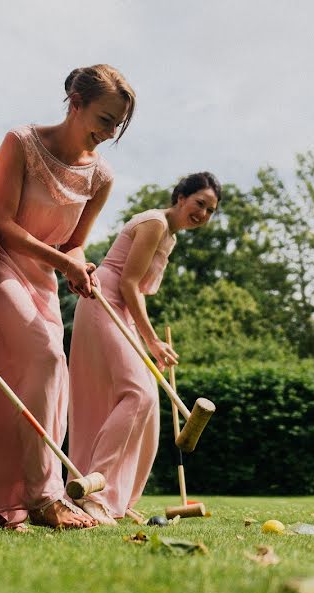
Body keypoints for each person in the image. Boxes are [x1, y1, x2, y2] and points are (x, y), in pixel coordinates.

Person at [0, 65, 136, 530]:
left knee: (42, 383)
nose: (109, 132)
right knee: (45, 360)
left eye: (116, 125)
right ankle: (44, 497)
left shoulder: (101, 177)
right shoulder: (21, 142)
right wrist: (65, 263)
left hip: (45, 283)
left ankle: (1, 500)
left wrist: (81, 267)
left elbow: (76, 242)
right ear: (75, 102)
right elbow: (2, 223)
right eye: (104, 118)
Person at [67, 172, 221, 525]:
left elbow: (135, 291)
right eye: (200, 203)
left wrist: (148, 338)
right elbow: (129, 282)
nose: (203, 214)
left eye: (210, 211)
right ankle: (94, 493)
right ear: (181, 196)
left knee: (148, 408)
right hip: (102, 299)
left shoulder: (170, 237)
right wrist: (151, 340)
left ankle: (119, 499)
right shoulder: (154, 222)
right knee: (140, 395)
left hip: (121, 308)